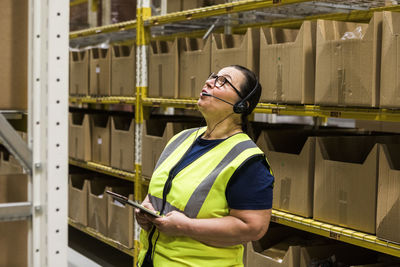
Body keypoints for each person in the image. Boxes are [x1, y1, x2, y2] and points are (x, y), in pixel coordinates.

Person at [135, 65, 274, 267]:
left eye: (223, 81)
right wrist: (146, 208)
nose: (209, 82)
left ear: (242, 105)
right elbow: (160, 190)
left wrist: (186, 227)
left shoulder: (248, 160)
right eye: (213, 76)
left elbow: (253, 227)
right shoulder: (181, 139)